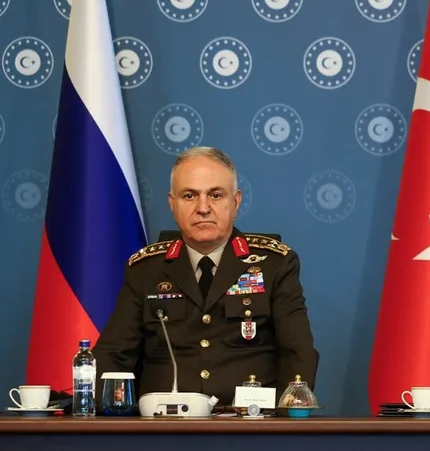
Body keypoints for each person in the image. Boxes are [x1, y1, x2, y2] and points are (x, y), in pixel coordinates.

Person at [94, 147, 318, 405]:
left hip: (251, 422)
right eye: (189, 196)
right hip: (163, 423)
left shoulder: (274, 265)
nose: (203, 208)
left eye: (216, 195)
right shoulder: (145, 269)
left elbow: (298, 354)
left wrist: (285, 419)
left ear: (236, 202)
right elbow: (112, 355)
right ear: (172, 204)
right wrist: (108, 416)